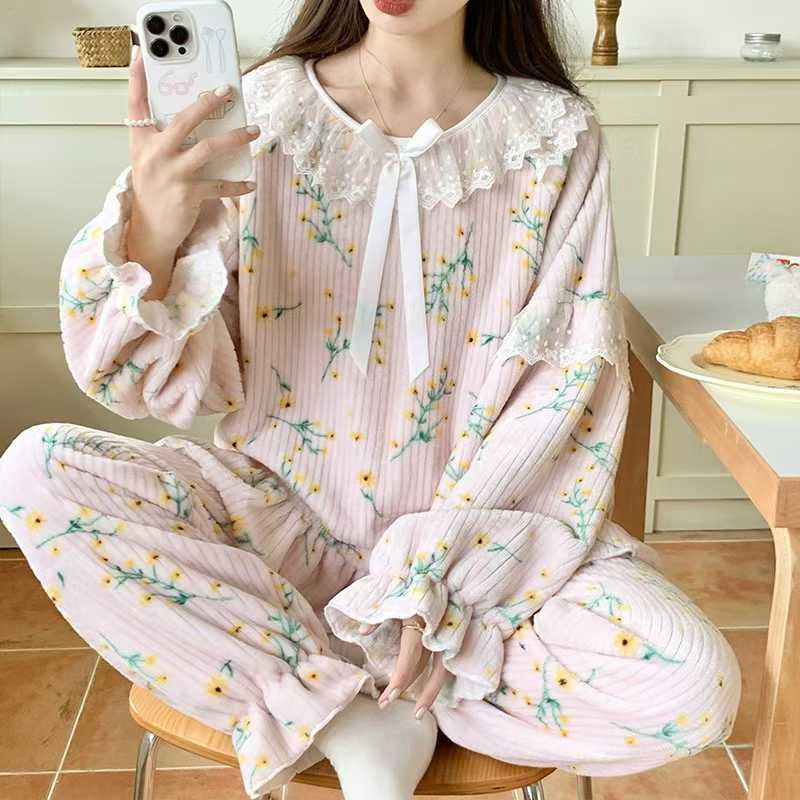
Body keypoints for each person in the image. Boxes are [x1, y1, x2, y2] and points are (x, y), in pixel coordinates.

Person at [0, 1, 741, 798]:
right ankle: (353, 716)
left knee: (690, 685)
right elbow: (153, 382)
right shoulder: (262, 110)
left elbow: (560, 391)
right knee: (37, 469)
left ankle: (360, 664)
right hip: (272, 527)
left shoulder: (554, 135)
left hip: (478, 549)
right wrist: (152, 230)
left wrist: (436, 586)